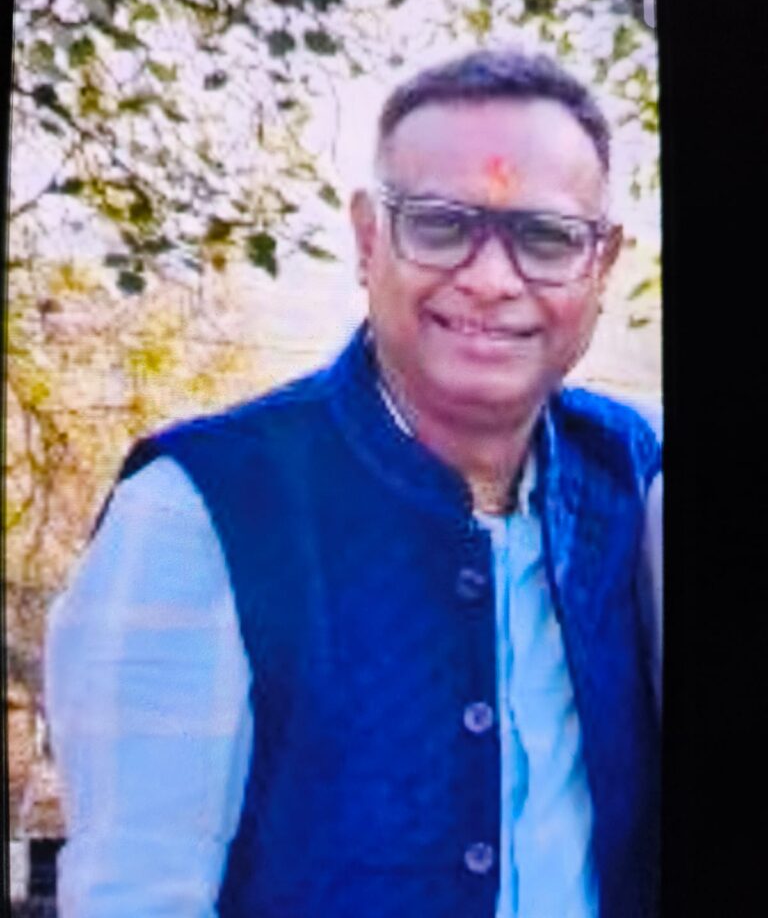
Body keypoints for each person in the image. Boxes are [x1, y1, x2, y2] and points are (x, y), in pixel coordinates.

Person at [45, 47, 663, 918]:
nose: (491, 279)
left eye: (546, 236)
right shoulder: (200, 510)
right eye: (440, 225)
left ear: (602, 264)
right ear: (369, 240)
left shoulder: (638, 478)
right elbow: (136, 894)